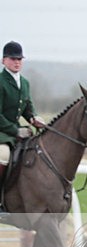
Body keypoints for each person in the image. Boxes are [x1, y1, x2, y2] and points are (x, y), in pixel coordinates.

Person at [1, 40, 45, 216]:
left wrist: (34, 118)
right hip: (3, 134)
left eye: (19, 59)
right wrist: (15, 130)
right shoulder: (0, 81)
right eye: (13, 59)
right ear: (4, 60)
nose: (17, 62)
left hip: (17, 132)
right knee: (3, 155)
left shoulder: (25, 83)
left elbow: (27, 108)